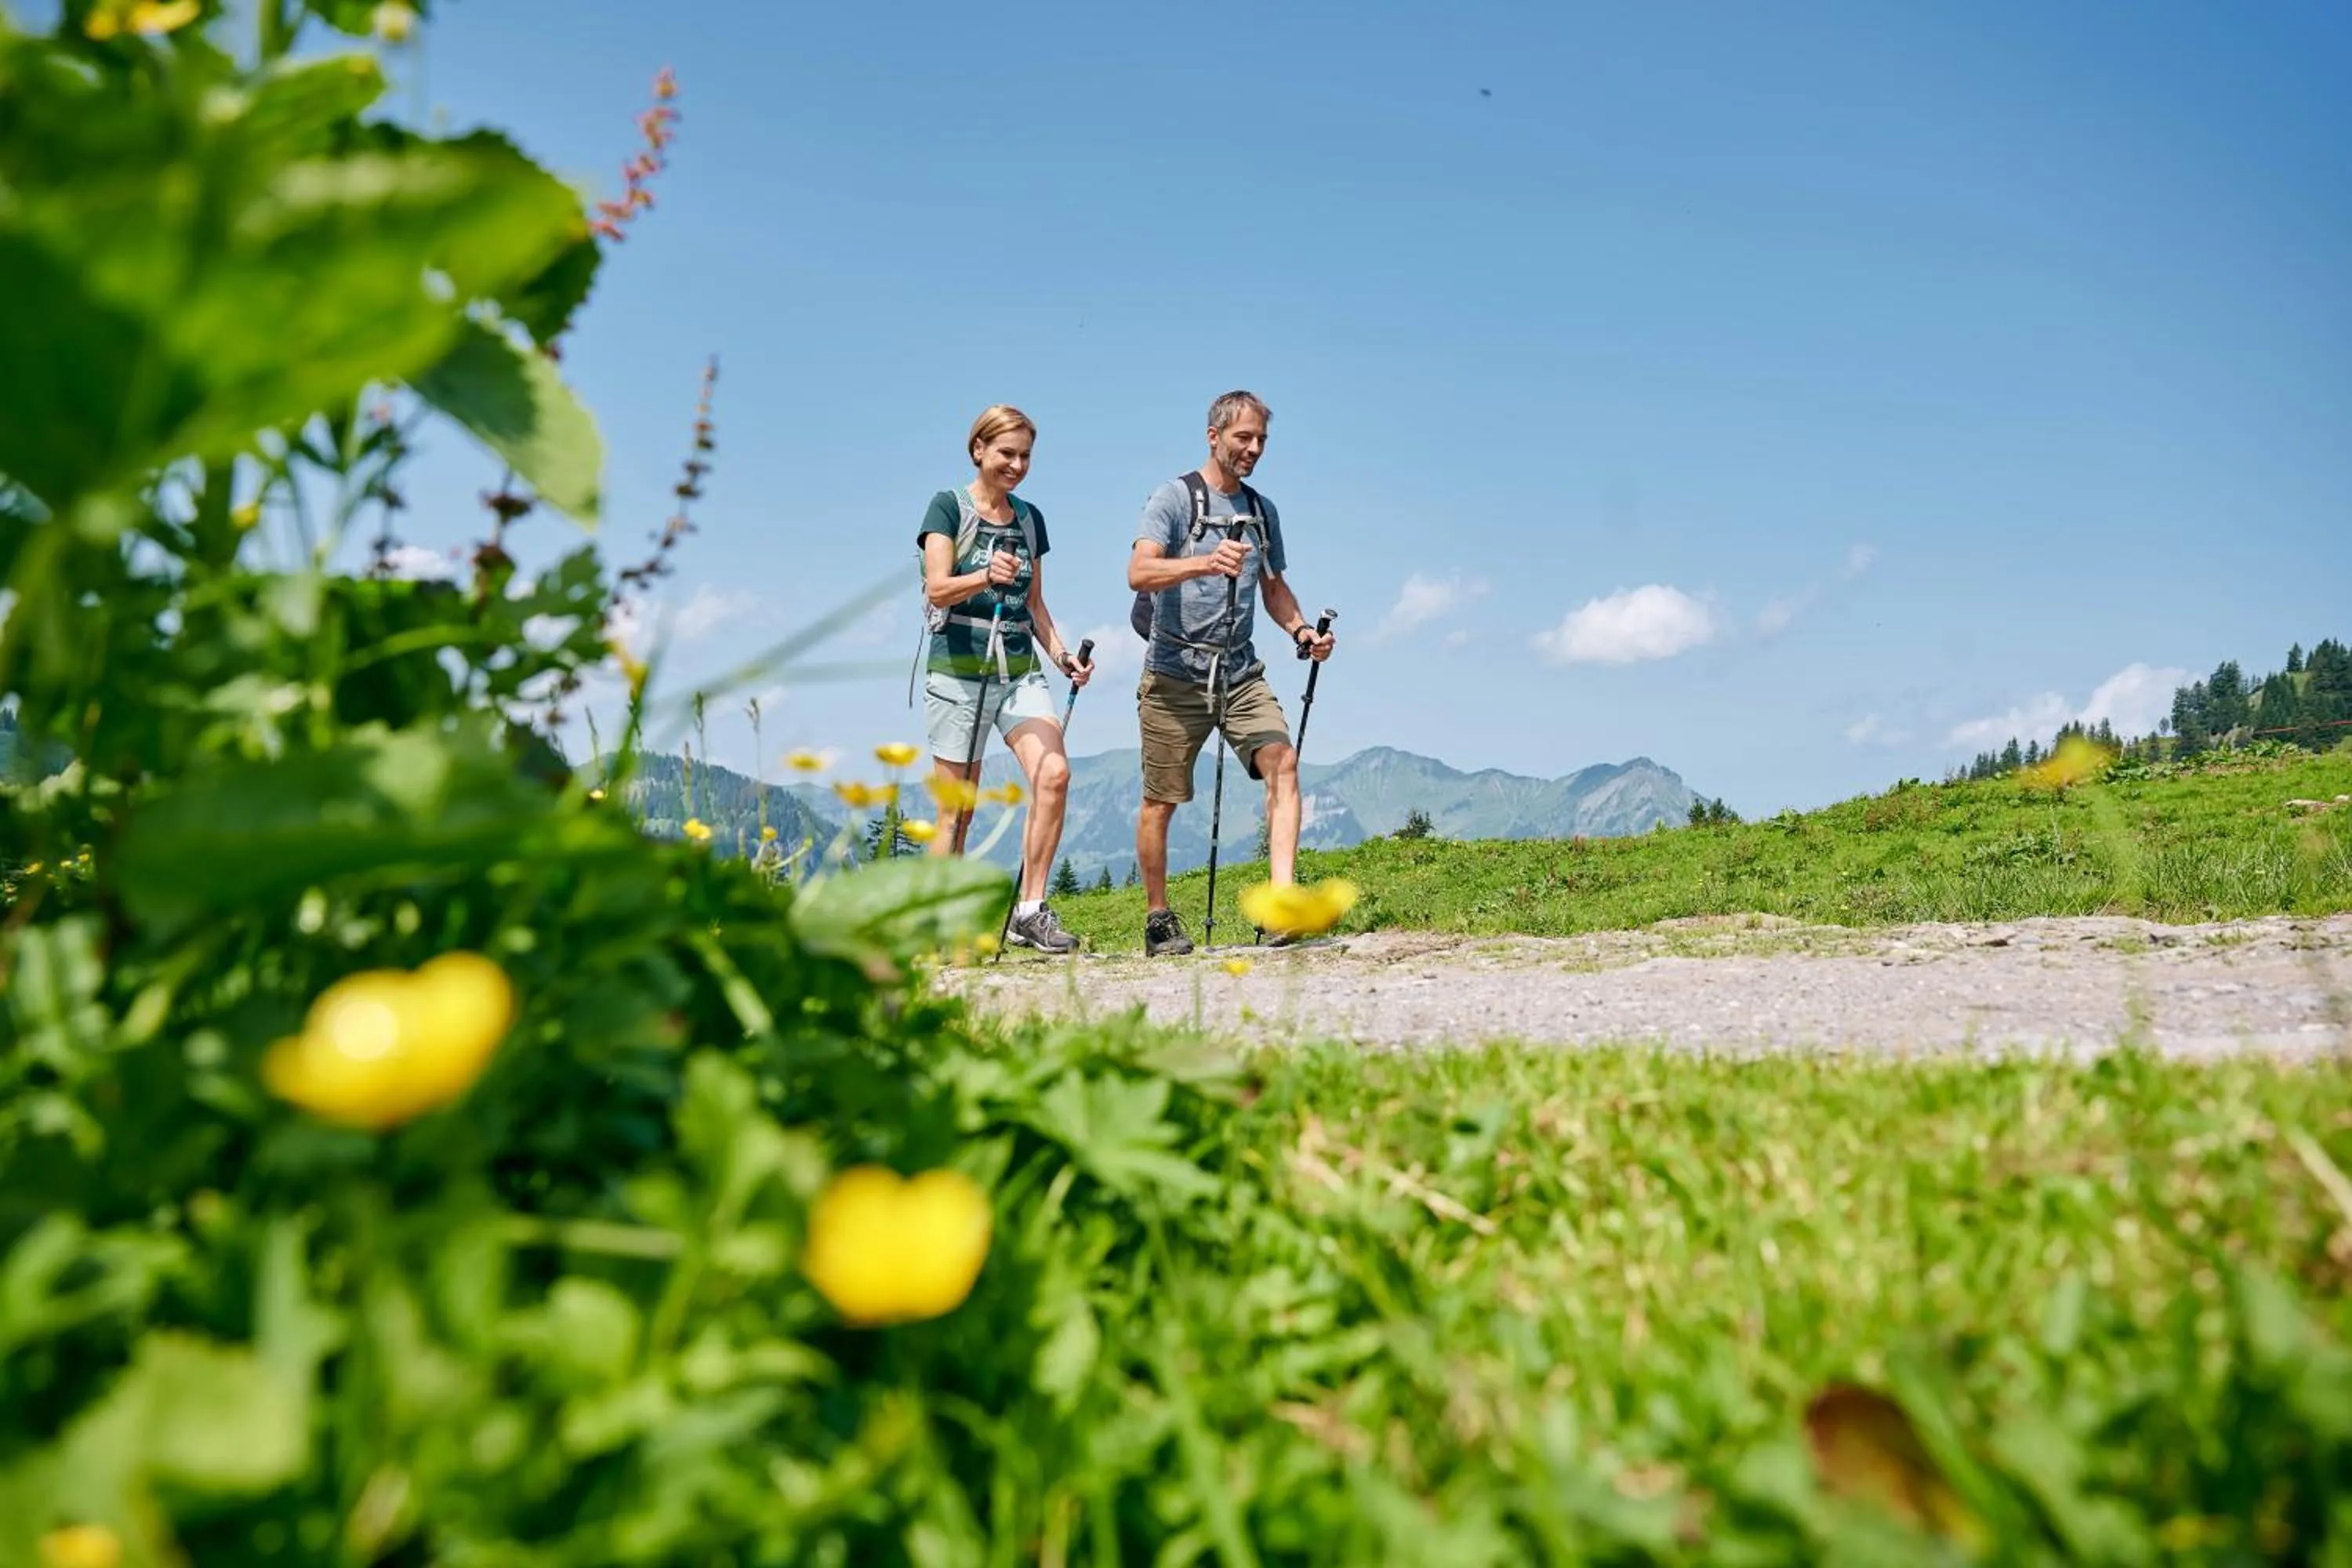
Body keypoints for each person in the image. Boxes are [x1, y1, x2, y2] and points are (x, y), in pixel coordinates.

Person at [1125, 390, 1334, 956]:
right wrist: (1203, 561)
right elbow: (1139, 571)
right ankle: (1157, 916)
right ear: (1213, 436)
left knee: (1282, 762)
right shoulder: (1173, 499)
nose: (1254, 448)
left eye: (1262, 439)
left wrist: (1301, 632)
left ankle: (1283, 903)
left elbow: (1273, 587)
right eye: (1244, 437)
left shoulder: (1263, 512)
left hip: (1240, 672)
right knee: (1160, 801)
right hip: (1174, 674)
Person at [916, 405, 1094, 953]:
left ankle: (1030, 911)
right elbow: (936, 588)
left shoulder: (1030, 519)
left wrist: (1063, 655)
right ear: (979, 451)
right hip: (960, 670)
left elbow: (1035, 605)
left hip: (1018, 667)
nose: (1017, 464)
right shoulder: (948, 507)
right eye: (1006, 453)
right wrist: (983, 575)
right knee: (958, 810)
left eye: (1025, 456)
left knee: (1055, 773)